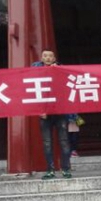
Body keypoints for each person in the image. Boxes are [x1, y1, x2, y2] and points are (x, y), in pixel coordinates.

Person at [33, 48, 72, 179]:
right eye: (45, 56)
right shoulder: (35, 72)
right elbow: (33, 92)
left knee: (64, 141)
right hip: (44, 113)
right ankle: (50, 170)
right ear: (41, 58)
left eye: (50, 56)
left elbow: (67, 87)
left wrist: (58, 70)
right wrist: (40, 110)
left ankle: (65, 169)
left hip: (60, 112)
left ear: (54, 58)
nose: (48, 58)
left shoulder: (61, 70)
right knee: (47, 143)